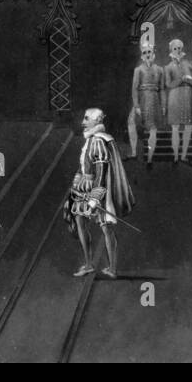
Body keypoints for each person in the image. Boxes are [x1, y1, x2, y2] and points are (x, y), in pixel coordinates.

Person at [66, 107, 134, 279]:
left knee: (106, 228)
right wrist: (76, 182)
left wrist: (95, 198)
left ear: (97, 121)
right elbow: (83, 167)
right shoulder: (91, 139)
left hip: (97, 190)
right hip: (83, 186)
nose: (83, 122)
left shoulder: (98, 141)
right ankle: (89, 264)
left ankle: (112, 268)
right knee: (80, 220)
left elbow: (102, 172)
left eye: (87, 119)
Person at [163, 39, 192, 165]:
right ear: (171, 50)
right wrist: (181, 79)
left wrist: (189, 80)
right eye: (175, 48)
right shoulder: (168, 67)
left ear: (182, 49)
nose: (177, 50)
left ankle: (183, 156)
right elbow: (168, 84)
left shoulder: (190, 64)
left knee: (188, 127)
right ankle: (175, 156)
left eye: (179, 48)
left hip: (188, 97)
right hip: (175, 98)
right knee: (175, 127)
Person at [130, 40, 165, 167]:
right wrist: (136, 105)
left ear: (153, 54)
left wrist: (164, 106)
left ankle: (150, 159)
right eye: (144, 52)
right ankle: (134, 153)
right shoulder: (138, 70)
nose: (147, 54)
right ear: (142, 56)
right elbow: (134, 88)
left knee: (153, 129)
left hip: (154, 100)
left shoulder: (160, 70)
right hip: (141, 99)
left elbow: (162, 89)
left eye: (149, 52)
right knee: (131, 123)